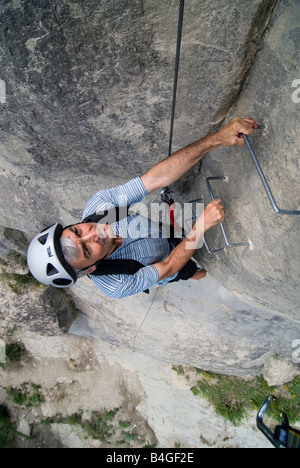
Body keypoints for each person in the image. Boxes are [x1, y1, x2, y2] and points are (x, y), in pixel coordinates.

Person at [27, 117, 257, 298]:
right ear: (89, 270)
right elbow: (166, 266)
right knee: (192, 272)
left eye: (77, 231)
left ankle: (185, 256)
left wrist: (217, 138)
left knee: (176, 244)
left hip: (160, 231)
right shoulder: (116, 284)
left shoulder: (101, 208)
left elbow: (154, 179)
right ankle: (192, 274)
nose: (92, 234)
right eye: (87, 251)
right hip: (165, 261)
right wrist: (201, 226)